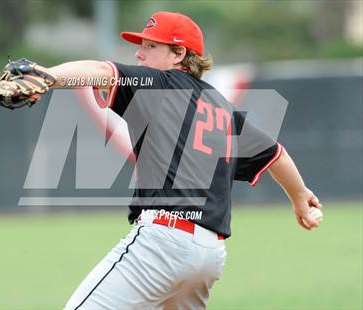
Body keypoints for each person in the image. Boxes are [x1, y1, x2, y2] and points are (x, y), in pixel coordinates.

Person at [43, 11, 322, 309]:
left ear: (178, 54)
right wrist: (299, 195)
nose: (139, 53)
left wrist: (45, 77)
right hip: (209, 253)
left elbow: (101, 71)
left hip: (163, 240)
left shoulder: (158, 84)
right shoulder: (221, 107)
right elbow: (275, 153)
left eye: (151, 46)